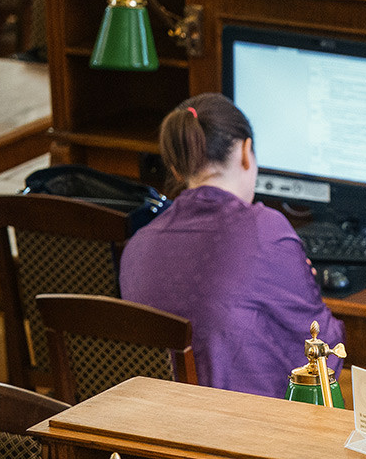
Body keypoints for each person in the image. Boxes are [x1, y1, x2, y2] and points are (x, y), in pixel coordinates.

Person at [119, 93, 343, 399]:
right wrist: (303, 281)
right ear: (246, 152)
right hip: (239, 434)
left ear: (175, 169)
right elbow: (324, 354)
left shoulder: (137, 244)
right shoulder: (265, 230)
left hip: (158, 430)